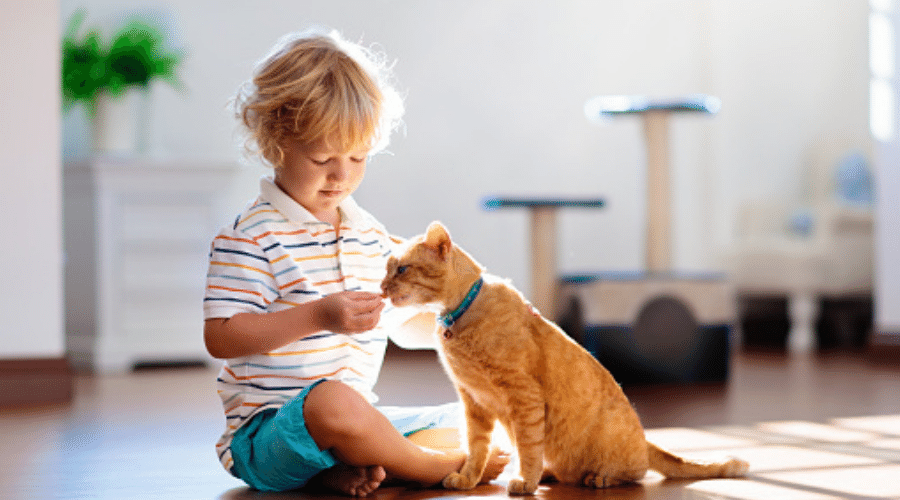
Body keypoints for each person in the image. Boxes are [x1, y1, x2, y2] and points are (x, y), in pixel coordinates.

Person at [203, 29, 509, 497]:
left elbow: (398, 325)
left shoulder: (368, 235)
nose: (341, 174)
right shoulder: (251, 236)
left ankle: (349, 468)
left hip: (354, 424)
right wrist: (318, 315)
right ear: (274, 143)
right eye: (322, 157)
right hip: (268, 437)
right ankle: (424, 468)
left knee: (473, 416)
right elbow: (221, 336)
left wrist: (461, 328)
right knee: (331, 403)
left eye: (358, 156)